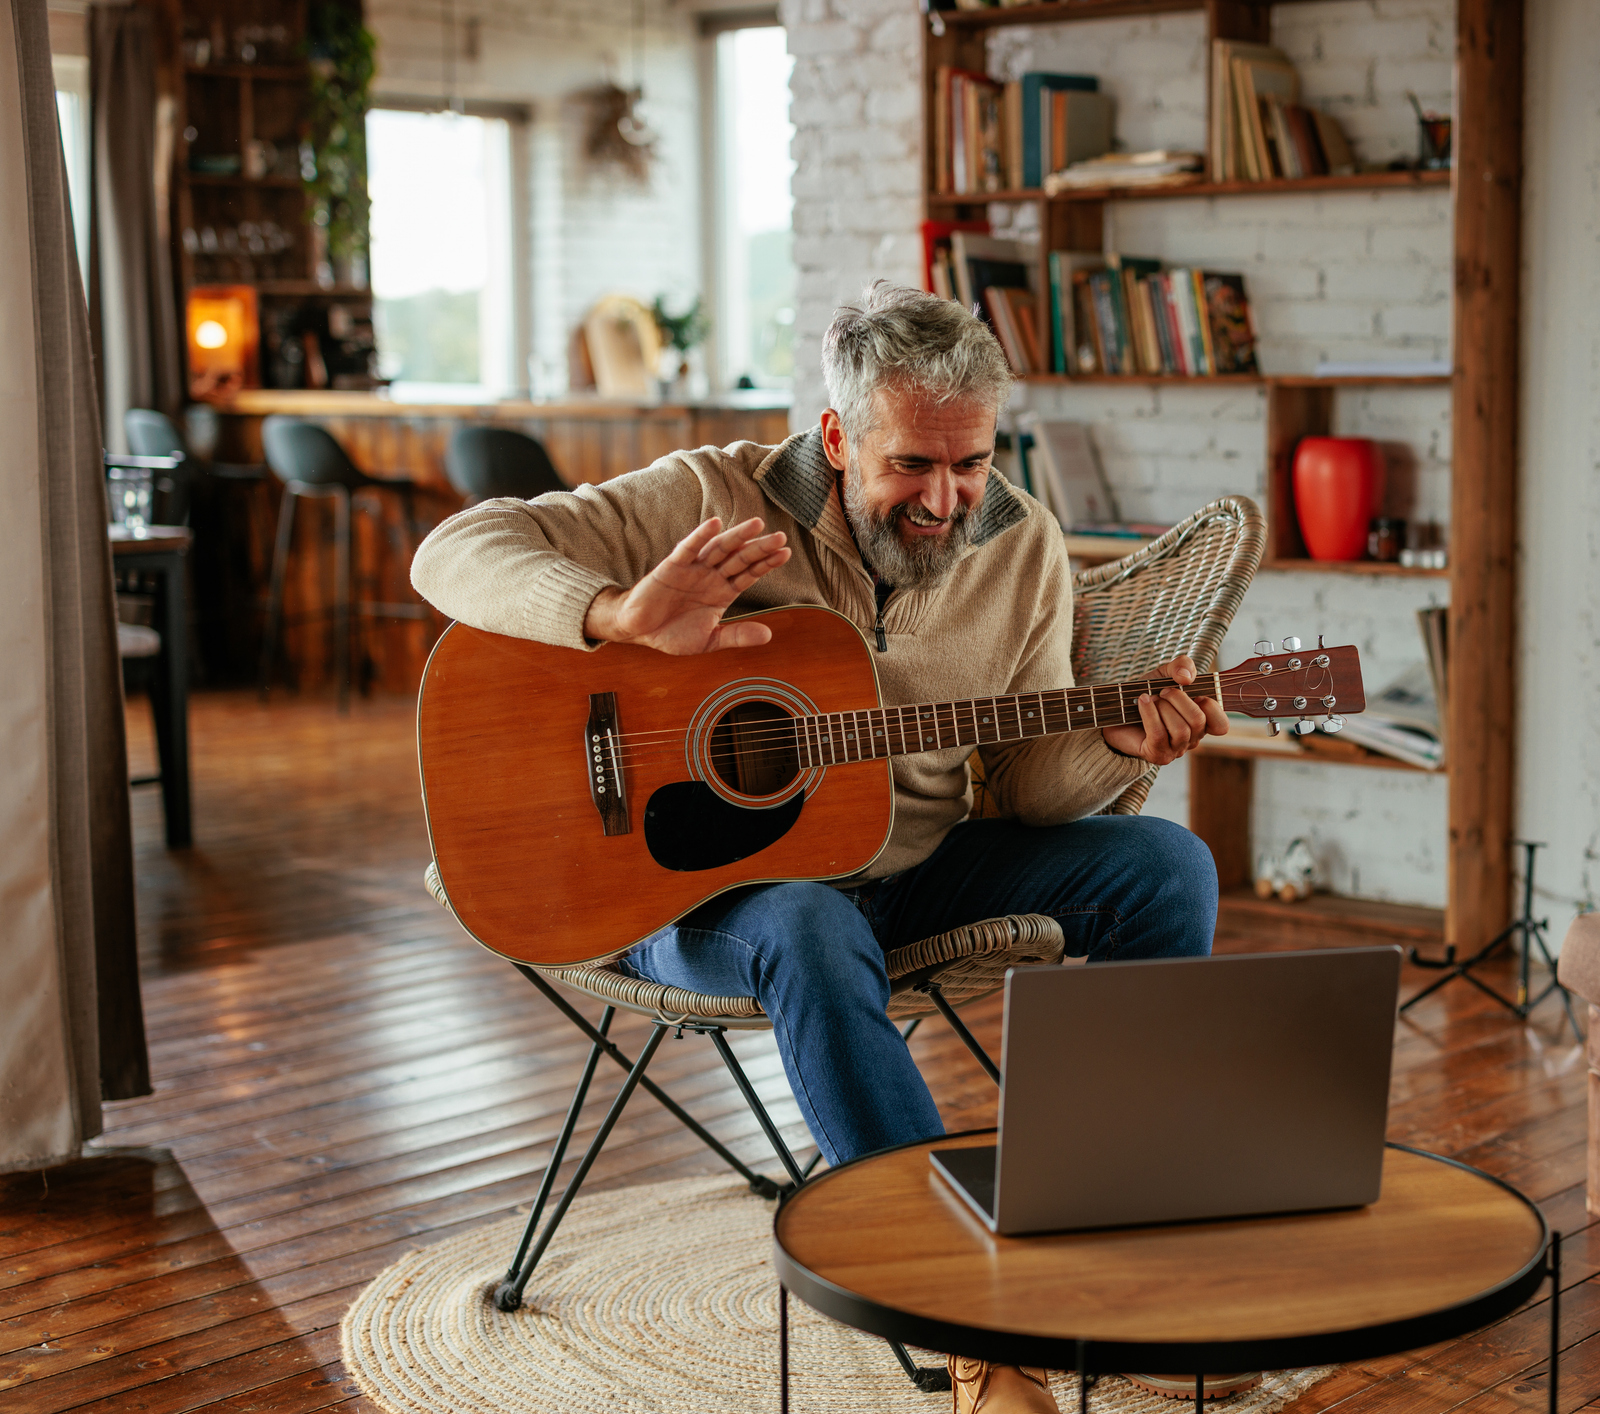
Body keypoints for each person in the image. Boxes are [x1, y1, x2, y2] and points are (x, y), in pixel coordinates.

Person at [412, 283, 1232, 1414]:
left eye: (971, 462)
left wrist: (1113, 740)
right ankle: (975, 1338)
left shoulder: (1020, 543)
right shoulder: (709, 495)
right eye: (910, 466)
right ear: (836, 438)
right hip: (696, 898)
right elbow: (455, 548)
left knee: (1166, 866)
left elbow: (1034, 791)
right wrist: (614, 614)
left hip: (915, 872)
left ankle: (1123, 1264)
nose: (946, 500)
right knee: (806, 920)